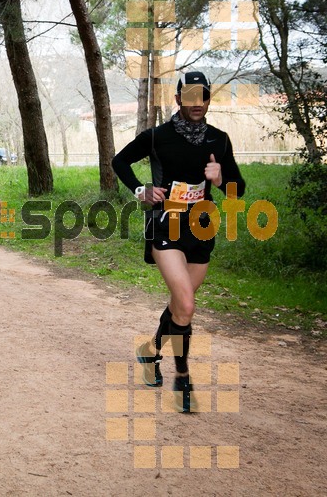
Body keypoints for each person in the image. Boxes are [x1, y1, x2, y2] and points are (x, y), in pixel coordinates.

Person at [111, 71, 246, 413]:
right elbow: (119, 161)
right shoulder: (157, 137)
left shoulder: (219, 140)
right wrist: (141, 189)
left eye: (203, 97)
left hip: (201, 229)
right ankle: (182, 377)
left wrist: (223, 177)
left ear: (209, 99)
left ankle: (151, 351)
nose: (197, 104)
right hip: (165, 225)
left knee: (178, 304)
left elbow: (237, 190)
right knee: (186, 305)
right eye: (190, 97)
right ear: (178, 100)